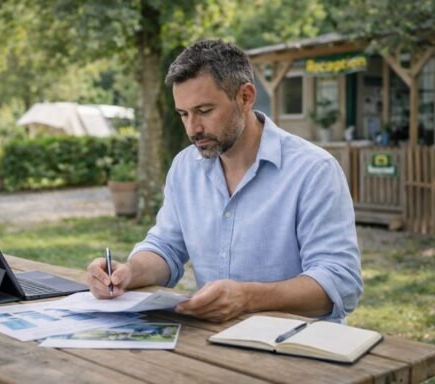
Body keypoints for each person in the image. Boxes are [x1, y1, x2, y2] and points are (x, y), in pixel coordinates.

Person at [86, 40, 363, 323]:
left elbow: (340, 282)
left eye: (204, 111)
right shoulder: (185, 167)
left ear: (245, 97)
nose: (193, 128)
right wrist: (129, 272)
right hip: (214, 344)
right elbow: (166, 247)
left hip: (295, 350)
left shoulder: (313, 170)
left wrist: (248, 298)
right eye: (183, 114)